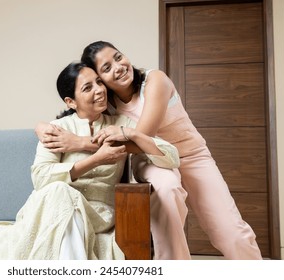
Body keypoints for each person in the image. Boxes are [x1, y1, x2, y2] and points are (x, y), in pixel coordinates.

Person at [81, 41, 263, 260]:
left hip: (192, 156)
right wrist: (44, 128)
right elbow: (75, 114)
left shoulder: (155, 80)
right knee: (166, 190)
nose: (118, 67)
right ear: (101, 80)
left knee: (231, 231)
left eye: (118, 57)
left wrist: (82, 142)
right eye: (107, 68)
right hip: (150, 160)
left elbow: (143, 136)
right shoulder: (107, 103)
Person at [0, 62, 180, 260]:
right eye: (88, 88)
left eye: (98, 83)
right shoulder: (57, 129)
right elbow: (41, 178)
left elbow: (171, 156)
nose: (99, 90)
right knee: (59, 191)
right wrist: (95, 160)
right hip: (52, 209)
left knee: (62, 193)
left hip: (99, 215)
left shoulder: (121, 124)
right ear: (71, 102)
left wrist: (130, 133)